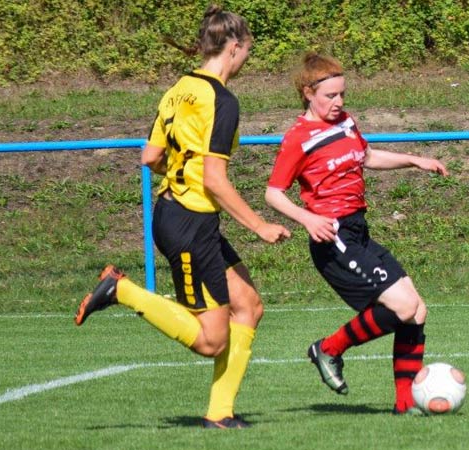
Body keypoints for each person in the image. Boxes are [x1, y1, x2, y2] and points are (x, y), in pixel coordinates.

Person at [75, 5, 290, 429]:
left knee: (248, 306)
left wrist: (180, 172)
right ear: (234, 47)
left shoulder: (177, 90)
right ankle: (121, 290)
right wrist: (260, 226)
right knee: (211, 341)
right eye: (247, 50)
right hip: (189, 225)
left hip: (182, 216)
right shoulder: (222, 100)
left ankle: (220, 413)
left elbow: (151, 156)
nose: (246, 59)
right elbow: (214, 179)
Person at [265, 52, 449, 414]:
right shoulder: (298, 138)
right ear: (308, 93)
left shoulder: (346, 123)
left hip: (358, 231)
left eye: (342, 94)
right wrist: (308, 220)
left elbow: (366, 157)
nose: (338, 102)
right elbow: (273, 193)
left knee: (417, 311)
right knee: (402, 306)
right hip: (332, 237)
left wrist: (414, 160)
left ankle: (404, 404)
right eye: (330, 96)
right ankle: (328, 349)